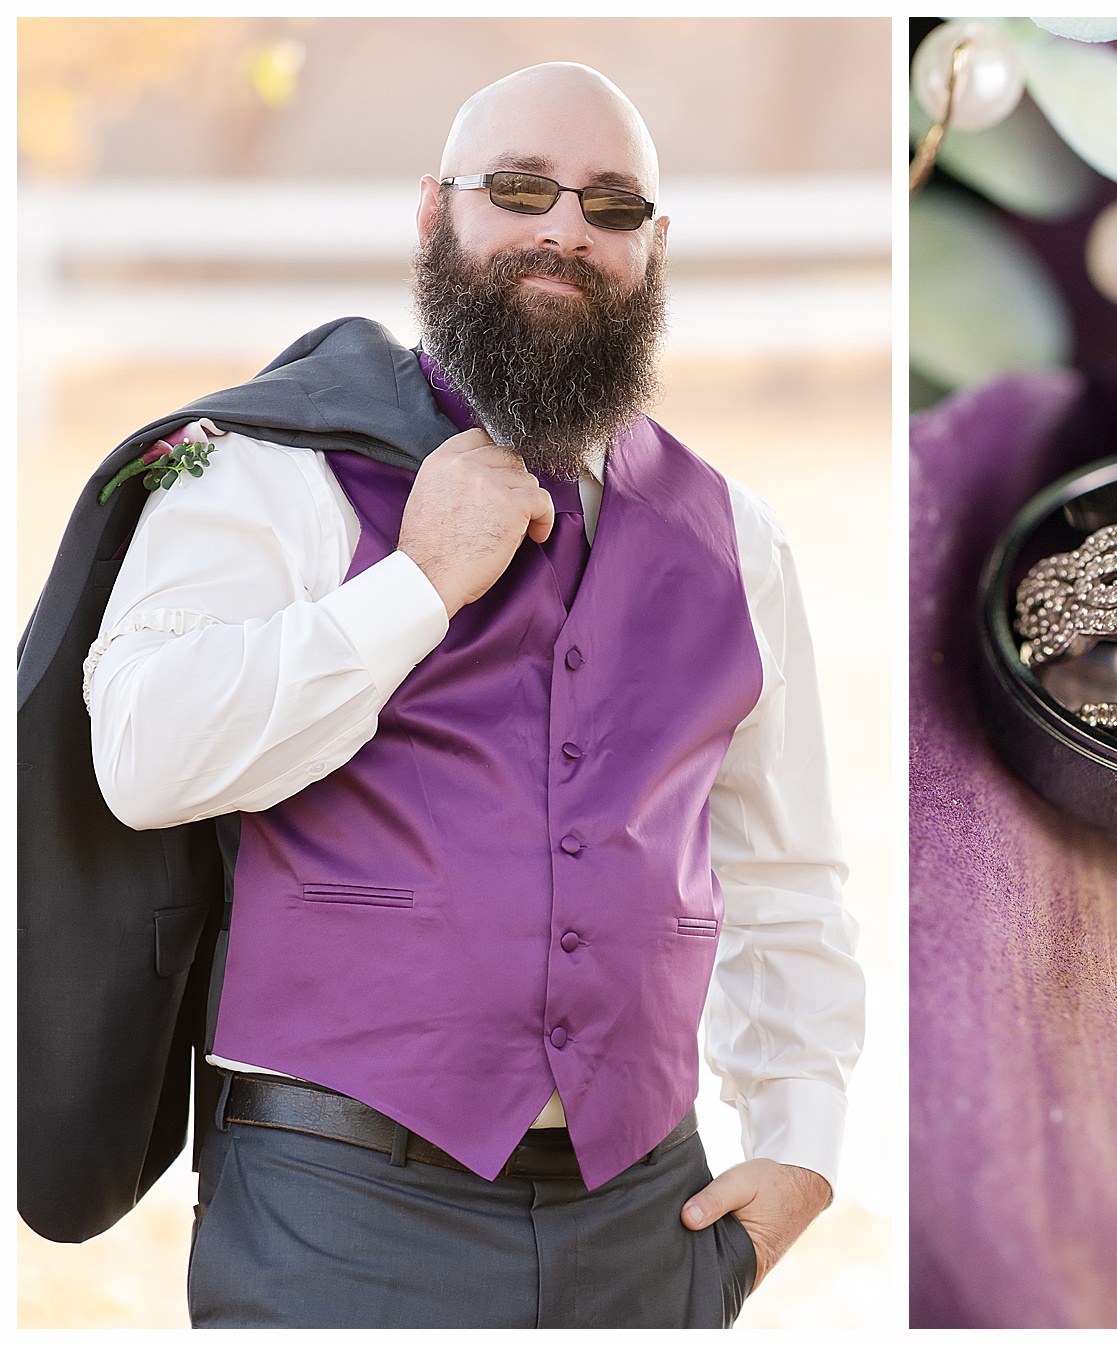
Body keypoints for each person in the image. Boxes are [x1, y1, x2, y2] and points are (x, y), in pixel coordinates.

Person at [24, 62, 863, 1328]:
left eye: (611, 206)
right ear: (432, 216)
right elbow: (144, 756)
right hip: (336, 1220)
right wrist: (417, 583)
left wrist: (803, 1138)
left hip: (646, 1222)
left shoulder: (737, 537)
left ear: (655, 245)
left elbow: (785, 869)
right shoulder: (263, 467)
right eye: (518, 188)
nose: (563, 228)